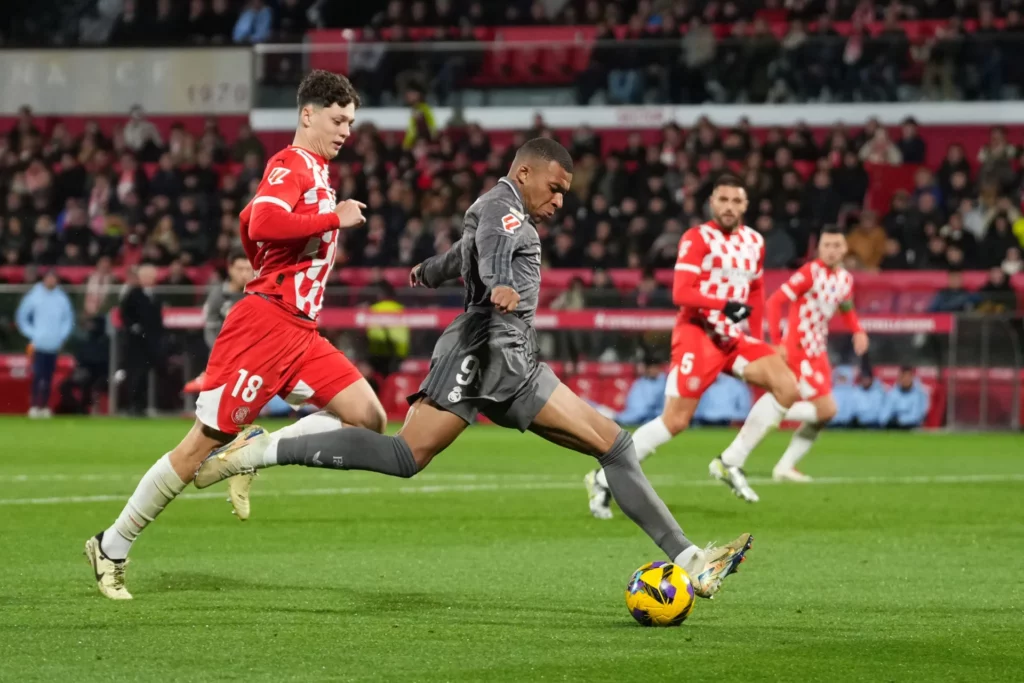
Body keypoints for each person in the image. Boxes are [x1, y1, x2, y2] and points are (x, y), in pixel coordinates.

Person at [193, 139, 753, 601]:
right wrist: (496, 282)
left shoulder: (503, 211)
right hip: (485, 347)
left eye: (565, 194)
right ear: (525, 172)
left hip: (511, 358)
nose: (559, 201)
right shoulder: (501, 206)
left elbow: (465, 249)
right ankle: (261, 451)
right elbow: (487, 248)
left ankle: (691, 559)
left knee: (609, 447)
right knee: (412, 455)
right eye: (554, 188)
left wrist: (429, 271)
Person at [85, 71, 388, 600]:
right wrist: (330, 219)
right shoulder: (291, 163)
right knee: (198, 445)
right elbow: (266, 223)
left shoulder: (315, 170)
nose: (345, 131)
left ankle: (252, 454)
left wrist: (277, 248)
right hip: (266, 325)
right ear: (307, 114)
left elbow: (250, 218)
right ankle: (111, 545)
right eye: (338, 120)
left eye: (351, 123)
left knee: (369, 417)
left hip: (301, 331)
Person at [584, 175, 801, 512]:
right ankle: (602, 477)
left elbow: (756, 289)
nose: (729, 207)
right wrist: (723, 305)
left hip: (734, 338)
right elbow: (680, 292)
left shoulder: (755, 242)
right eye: (723, 200)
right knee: (675, 421)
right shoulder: (697, 238)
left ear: (746, 205)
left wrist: (757, 338)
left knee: (787, 386)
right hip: (697, 333)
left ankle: (730, 461)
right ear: (712, 203)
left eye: (736, 201)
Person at [715, 227, 869, 494]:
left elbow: (846, 307)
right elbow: (775, 302)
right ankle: (766, 416)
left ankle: (784, 464)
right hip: (797, 348)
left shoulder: (845, 279)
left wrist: (857, 329)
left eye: (836, 245)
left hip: (818, 351)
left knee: (822, 416)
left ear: (845, 249)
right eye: (827, 245)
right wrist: (777, 343)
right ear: (819, 248)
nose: (831, 250)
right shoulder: (810, 272)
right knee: (827, 410)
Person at [183, 250, 255, 394]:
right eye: (240, 269)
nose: (244, 274)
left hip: (254, 356)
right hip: (224, 356)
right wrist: (220, 352)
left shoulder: (259, 294)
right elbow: (210, 328)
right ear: (230, 269)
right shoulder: (218, 295)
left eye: (248, 269)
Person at [15, 269, 74, 418]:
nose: (51, 281)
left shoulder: (61, 298)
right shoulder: (34, 296)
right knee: (38, 375)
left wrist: (61, 336)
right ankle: (34, 405)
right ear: (44, 280)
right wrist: (33, 333)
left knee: (48, 376)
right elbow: (22, 317)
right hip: (39, 343)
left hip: (53, 344)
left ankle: (45, 406)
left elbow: (67, 319)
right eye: (49, 278)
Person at [119, 264, 165, 417]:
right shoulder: (133, 293)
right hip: (135, 343)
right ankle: (133, 405)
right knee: (134, 375)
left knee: (145, 375)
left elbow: (158, 320)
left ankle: (143, 405)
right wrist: (133, 327)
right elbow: (125, 314)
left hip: (150, 343)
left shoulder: (155, 296)